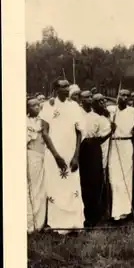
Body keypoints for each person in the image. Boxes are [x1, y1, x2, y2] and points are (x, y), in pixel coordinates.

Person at [41, 79, 85, 234]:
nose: (67, 88)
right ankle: (58, 226)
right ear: (55, 89)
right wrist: (56, 156)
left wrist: (76, 156)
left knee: (72, 186)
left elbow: (80, 132)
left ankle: (75, 224)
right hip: (54, 154)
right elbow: (44, 132)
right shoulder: (49, 106)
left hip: (71, 153)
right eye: (63, 86)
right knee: (56, 186)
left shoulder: (74, 107)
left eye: (68, 86)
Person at [78, 91, 114, 228]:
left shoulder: (97, 117)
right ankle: (84, 215)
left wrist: (111, 131)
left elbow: (100, 138)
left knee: (95, 180)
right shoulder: (78, 113)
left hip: (93, 149)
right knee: (83, 181)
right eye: (85, 97)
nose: (87, 99)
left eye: (89, 97)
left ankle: (95, 215)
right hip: (80, 148)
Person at [108, 89, 134, 221]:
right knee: (114, 178)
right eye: (122, 95)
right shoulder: (112, 110)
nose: (124, 97)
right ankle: (116, 212)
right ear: (117, 96)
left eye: (127, 96)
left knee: (126, 178)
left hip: (126, 144)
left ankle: (125, 212)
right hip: (114, 145)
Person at [27, 98, 47, 233]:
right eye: (33, 105)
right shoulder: (25, 122)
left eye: (38, 105)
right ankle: (31, 223)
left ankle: (40, 222)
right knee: (34, 188)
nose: (37, 107)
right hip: (32, 156)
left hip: (43, 155)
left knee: (42, 189)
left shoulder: (42, 120)